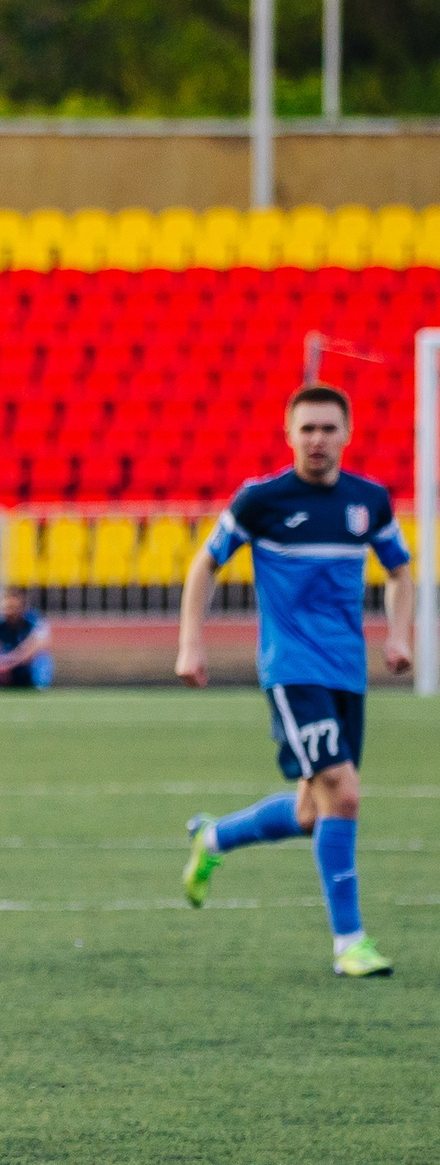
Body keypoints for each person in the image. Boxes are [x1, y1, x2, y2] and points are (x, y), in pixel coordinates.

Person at [177, 384, 414, 977]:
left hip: (346, 670)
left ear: (347, 434)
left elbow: (399, 571)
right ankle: (349, 943)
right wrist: (190, 643)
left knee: (315, 811)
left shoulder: (368, 502)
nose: (317, 439)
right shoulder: (261, 501)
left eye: (328, 428)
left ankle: (214, 838)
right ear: (288, 434)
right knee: (345, 791)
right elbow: (206, 563)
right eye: (306, 429)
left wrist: (399, 634)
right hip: (291, 668)